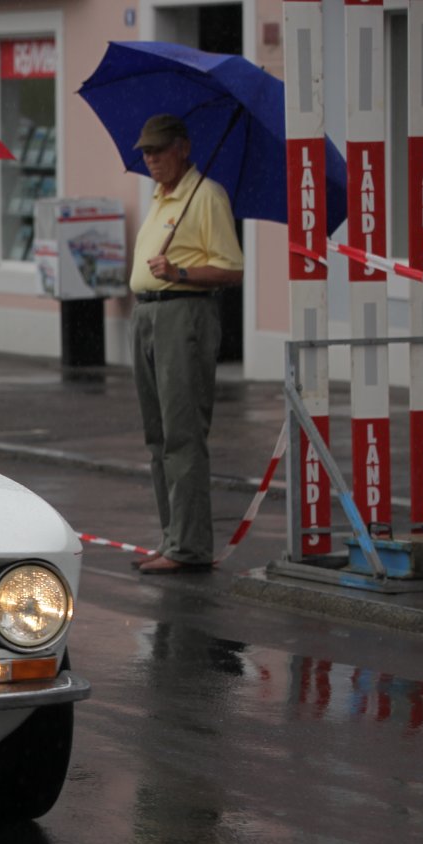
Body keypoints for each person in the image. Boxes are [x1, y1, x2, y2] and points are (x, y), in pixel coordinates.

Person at [127, 113, 244, 575]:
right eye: (146, 152)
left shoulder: (207, 195)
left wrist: (180, 272)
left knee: (182, 433)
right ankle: (172, 537)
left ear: (183, 149)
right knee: (157, 436)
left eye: (158, 150)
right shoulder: (161, 197)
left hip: (182, 314)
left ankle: (189, 545)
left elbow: (231, 268)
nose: (151, 159)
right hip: (148, 313)